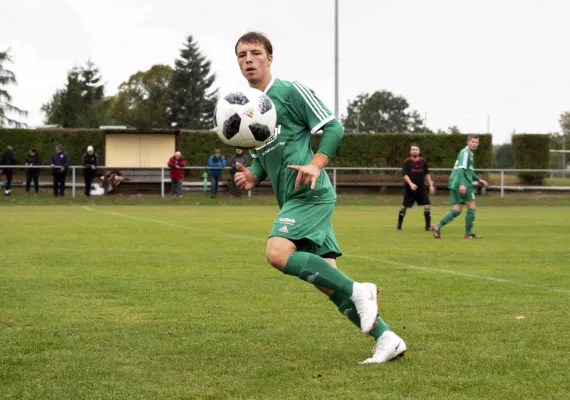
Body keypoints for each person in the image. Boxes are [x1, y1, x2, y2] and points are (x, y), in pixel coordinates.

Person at [232, 31, 406, 364]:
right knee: (328, 282)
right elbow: (262, 152)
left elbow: (333, 127)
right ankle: (387, 338)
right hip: (292, 199)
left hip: (310, 194)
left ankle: (361, 290)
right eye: (242, 55)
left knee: (277, 253)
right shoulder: (251, 108)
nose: (248, 60)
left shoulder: (291, 91)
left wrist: (316, 163)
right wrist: (253, 175)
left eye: (255, 53)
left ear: (270, 57)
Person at [432, 135, 488, 239]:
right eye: (472, 141)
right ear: (467, 142)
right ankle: (468, 234)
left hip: (455, 182)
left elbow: (469, 171)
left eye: (476, 142)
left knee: (457, 209)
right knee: (471, 206)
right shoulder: (465, 153)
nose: (475, 144)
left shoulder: (467, 153)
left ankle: (437, 226)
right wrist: (462, 184)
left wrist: (478, 180)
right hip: (462, 183)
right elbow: (461, 169)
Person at [397, 144, 435, 231]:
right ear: (410, 151)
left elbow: (427, 174)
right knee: (404, 206)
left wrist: (431, 185)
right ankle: (399, 226)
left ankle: (428, 227)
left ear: (419, 151)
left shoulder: (423, 161)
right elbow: (405, 175)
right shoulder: (407, 162)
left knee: (427, 205)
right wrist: (411, 184)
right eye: (413, 150)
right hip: (410, 188)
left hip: (421, 188)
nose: (414, 151)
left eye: (416, 149)